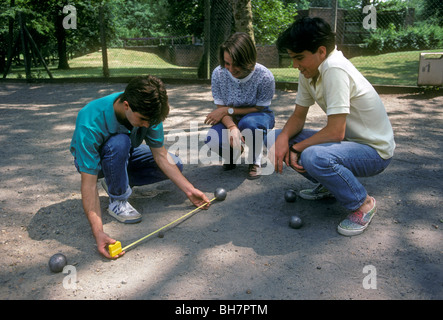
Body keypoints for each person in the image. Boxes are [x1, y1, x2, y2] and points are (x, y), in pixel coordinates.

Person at [268, 17, 395, 236]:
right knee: (277, 137)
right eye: (292, 59)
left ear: (321, 51)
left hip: (375, 151)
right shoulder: (310, 71)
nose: (295, 65)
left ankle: (363, 203)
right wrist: (281, 140)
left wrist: (296, 149)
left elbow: (336, 131)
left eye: (299, 58)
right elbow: (299, 116)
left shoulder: (334, 68)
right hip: (349, 144)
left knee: (313, 157)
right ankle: (331, 184)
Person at [70, 75, 210, 258]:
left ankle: (118, 181)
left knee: (175, 164)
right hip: (100, 162)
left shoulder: (149, 113)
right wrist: (98, 232)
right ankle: (118, 200)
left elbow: (160, 155)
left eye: (150, 122)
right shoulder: (90, 121)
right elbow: (89, 183)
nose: (146, 125)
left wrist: (190, 190)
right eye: (143, 120)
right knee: (119, 142)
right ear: (126, 105)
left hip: (125, 152)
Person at [204, 32, 275, 179]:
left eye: (236, 64)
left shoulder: (265, 76)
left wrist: (228, 110)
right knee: (213, 138)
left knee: (249, 124)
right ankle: (233, 153)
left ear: (248, 59)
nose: (231, 69)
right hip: (230, 118)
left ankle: (255, 160)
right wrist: (232, 127)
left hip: (257, 116)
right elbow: (220, 109)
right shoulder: (218, 73)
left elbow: (259, 108)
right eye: (227, 63)